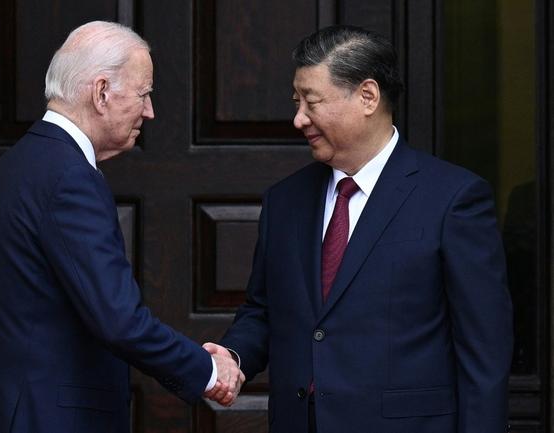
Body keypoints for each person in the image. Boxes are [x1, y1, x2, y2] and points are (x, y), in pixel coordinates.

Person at [205, 25, 513, 433]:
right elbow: (263, 311)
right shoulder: (285, 200)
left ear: (368, 96)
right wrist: (232, 356)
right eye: (296, 102)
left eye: (311, 102)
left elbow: (484, 352)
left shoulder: (452, 198)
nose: (298, 119)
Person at [0, 21, 243, 433]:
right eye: (144, 94)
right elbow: (119, 320)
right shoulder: (69, 178)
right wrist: (209, 371)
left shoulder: (15, 166)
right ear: (102, 92)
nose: (150, 111)